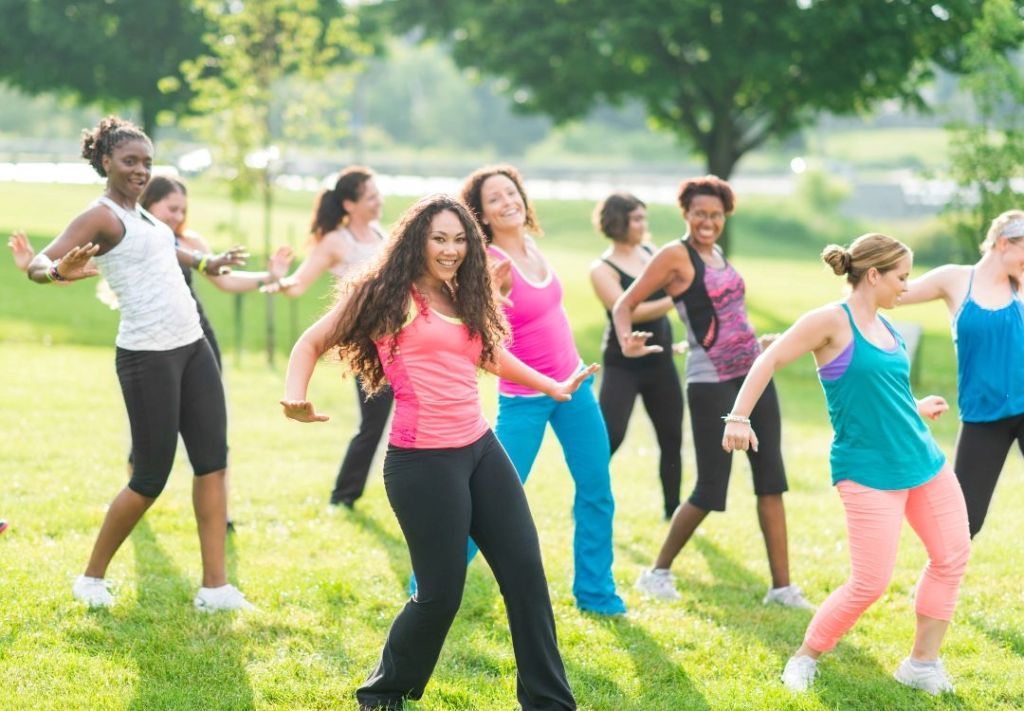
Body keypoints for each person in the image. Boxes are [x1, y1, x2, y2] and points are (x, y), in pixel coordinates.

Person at [282, 194, 579, 711]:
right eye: (439, 238)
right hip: (423, 463)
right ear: (415, 239)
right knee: (441, 596)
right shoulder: (385, 296)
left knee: (527, 577)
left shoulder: (461, 290)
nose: (451, 249)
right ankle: (381, 693)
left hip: (480, 448)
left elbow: (486, 352)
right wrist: (295, 396)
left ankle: (550, 703)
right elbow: (311, 341)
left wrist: (549, 385)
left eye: (460, 239)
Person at [722, 233, 971, 695]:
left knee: (952, 556)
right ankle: (805, 656)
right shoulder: (830, 323)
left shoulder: (885, 324)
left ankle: (922, 664)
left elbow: (877, 392)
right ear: (873, 275)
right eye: (901, 277)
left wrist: (915, 406)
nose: (906, 287)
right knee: (870, 582)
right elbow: (770, 357)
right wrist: (738, 416)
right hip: (868, 471)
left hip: (923, 461)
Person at [25, 116, 252, 611]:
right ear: (105, 161)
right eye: (130, 161)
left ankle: (215, 588)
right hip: (148, 356)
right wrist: (56, 270)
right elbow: (38, 264)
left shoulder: (145, 215)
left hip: (193, 346)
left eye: (147, 162)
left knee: (213, 462)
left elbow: (170, 250)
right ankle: (90, 578)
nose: (141, 170)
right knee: (150, 476)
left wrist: (207, 263)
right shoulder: (101, 216)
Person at [10, 177, 293, 531]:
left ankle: (222, 513)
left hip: (198, 338)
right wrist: (29, 267)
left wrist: (271, 276)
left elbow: (225, 279)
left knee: (212, 436)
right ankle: (138, 495)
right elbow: (67, 269)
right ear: (148, 204)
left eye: (184, 210)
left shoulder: (189, 243)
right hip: (152, 346)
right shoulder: (132, 235)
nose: (178, 216)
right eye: (170, 208)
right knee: (153, 441)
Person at [614, 175, 810, 609]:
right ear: (685, 213)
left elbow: (729, 315)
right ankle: (656, 573)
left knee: (771, 479)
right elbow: (624, 303)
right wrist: (627, 337)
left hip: (754, 373)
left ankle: (782, 588)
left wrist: (755, 344)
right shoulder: (674, 255)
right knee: (710, 488)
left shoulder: (717, 252)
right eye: (700, 213)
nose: (708, 221)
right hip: (710, 381)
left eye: (716, 215)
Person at [459, 164, 625, 616]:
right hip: (525, 400)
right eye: (494, 198)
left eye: (511, 193)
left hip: (574, 389)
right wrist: (490, 295)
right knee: (492, 501)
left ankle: (596, 592)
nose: (507, 202)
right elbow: (482, 338)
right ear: (482, 214)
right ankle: (432, 586)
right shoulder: (488, 264)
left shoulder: (532, 247)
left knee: (596, 488)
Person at [270, 166, 393, 509]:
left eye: (377, 193)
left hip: (399, 339)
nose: (378, 201)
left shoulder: (380, 234)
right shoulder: (338, 240)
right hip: (366, 344)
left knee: (403, 419)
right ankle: (343, 496)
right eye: (371, 197)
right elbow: (298, 285)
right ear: (350, 204)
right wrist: (279, 279)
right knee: (373, 425)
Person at [898, 210, 1024, 538]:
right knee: (964, 521)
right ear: (1003, 243)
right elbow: (891, 294)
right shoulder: (955, 279)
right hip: (983, 415)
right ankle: (936, 586)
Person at [589, 192, 683, 520]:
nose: (644, 225)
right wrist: (675, 299)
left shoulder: (649, 252)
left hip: (660, 362)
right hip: (622, 364)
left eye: (645, 217)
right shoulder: (602, 269)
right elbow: (629, 310)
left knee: (671, 437)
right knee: (610, 436)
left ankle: (672, 513)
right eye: (637, 219)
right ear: (618, 221)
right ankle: (587, 499)